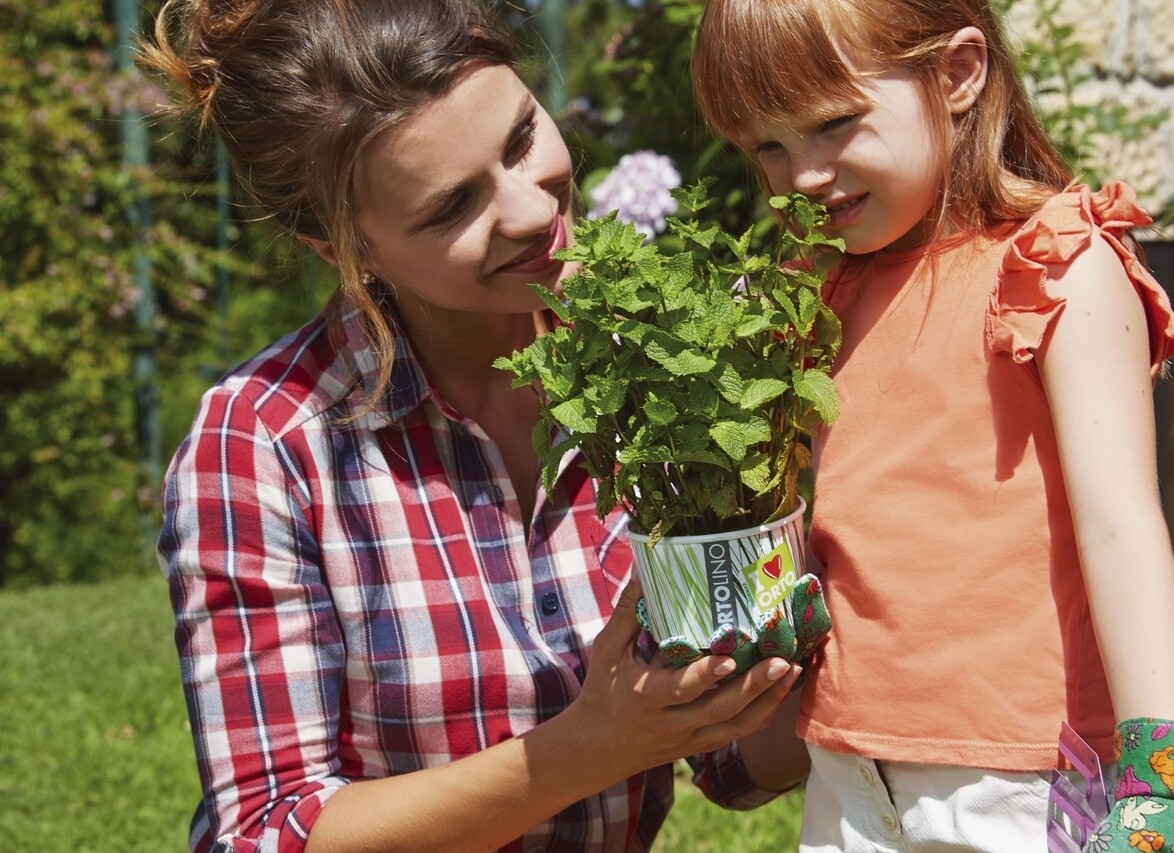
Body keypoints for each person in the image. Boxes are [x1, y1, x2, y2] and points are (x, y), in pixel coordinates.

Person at [141, 1, 811, 850]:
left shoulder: (658, 373)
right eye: (451, 206)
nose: (530, 211)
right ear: (340, 247)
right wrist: (587, 746)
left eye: (522, 137)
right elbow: (266, 832)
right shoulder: (266, 447)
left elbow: (743, 755)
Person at [691, 0, 1174, 850]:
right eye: (767, 144)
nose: (799, 174)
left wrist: (1166, 781)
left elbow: (1121, 529)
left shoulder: (1053, 265)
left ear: (957, 74)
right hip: (852, 775)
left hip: (1022, 776)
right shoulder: (821, 291)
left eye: (834, 123)